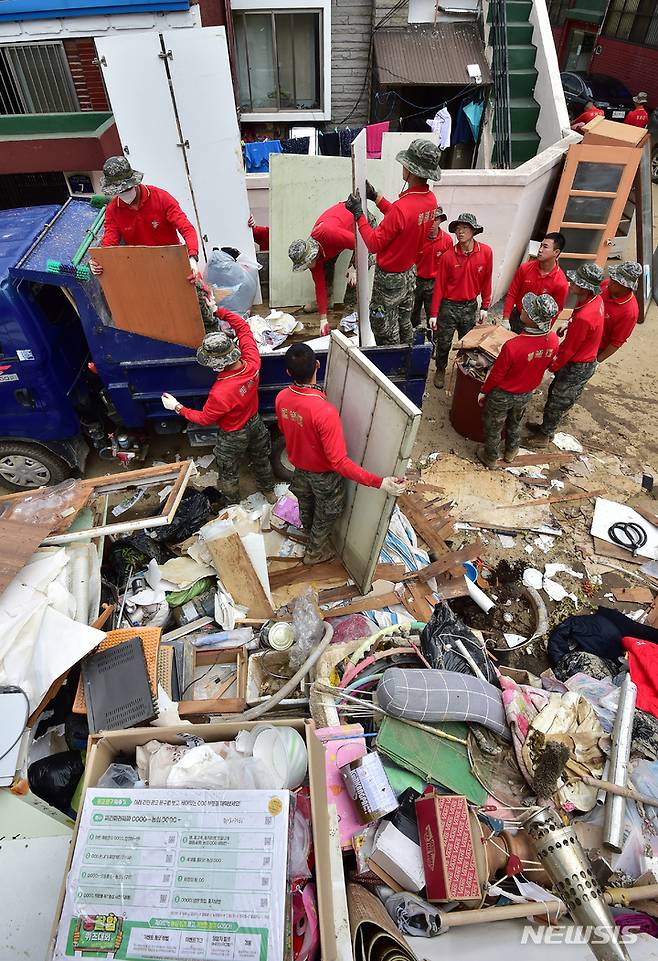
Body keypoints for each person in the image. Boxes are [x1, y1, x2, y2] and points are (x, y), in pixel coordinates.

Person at [275, 344, 407, 565]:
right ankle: (314, 553)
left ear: (288, 373)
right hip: (323, 476)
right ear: (317, 365)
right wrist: (380, 482)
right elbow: (340, 463)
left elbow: (283, 428)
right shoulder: (324, 411)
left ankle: (308, 532)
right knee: (328, 511)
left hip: (299, 468)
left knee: (306, 501)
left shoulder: (281, 398)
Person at [161, 308, 276, 505]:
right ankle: (269, 492)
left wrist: (177, 407)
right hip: (255, 423)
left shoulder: (221, 392)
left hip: (233, 434)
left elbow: (205, 419)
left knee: (228, 470)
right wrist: (219, 311)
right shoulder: (252, 360)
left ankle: (231, 505)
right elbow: (243, 328)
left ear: (217, 363)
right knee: (262, 459)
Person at [344, 138, 441, 346]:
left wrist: (359, 214)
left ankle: (392, 369)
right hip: (409, 274)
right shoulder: (430, 200)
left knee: (383, 327)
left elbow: (373, 244)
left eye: (406, 164)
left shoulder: (402, 208)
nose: (403, 167)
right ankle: (407, 358)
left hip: (389, 281)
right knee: (404, 322)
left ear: (412, 171)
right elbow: (401, 222)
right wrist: (377, 197)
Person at [476, 293, 560, 468]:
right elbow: (548, 363)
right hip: (526, 392)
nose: (522, 309)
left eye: (527, 310)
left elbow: (497, 374)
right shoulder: (552, 340)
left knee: (494, 425)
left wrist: (484, 391)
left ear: (533, 318)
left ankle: (490, 456)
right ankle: (511, 451)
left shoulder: (513, 346)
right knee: (515, 423)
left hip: (502, 394)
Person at [526, 262, 605, 447]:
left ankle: (544, 436)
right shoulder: (593, 301)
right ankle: (544, 428)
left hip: (578, 364)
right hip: (580, 355)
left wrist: (551, 368)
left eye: (576, 282)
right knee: (555, 392)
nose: (571, 284)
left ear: (585, 288)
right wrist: (570, 323)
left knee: (558, 400)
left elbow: (569, 350)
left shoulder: (586, 316)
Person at [90, 156, 199, 278]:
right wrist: (99, 261)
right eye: (119, 191)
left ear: (134, 183)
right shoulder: (112, 210)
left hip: (173, 261)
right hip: (142, 269)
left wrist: (192, 258)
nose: (125, 193)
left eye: (128, 188)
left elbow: (186, 228)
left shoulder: (161, 198)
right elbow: (109, 242)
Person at [428, 212, 493, 388]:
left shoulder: (485, 252)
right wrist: (433, 313)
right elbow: (439, 286)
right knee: (444, 342)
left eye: (464, 228)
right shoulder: (448, 256)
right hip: (448, 306)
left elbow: (487, 279)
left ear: (473, 230)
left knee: (468, 343)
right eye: (457, 228)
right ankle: (441, 369)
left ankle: (463, 371)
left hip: (470, 305)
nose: (460, 232)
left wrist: (485, 305)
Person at [288, 202, 365, 336]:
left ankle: (350, 312)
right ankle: (326, 303)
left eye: (305, 264)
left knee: (352, 276)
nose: (307, 268)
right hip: (340, 238)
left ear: (311, 256)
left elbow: (363, 243)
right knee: (325, 269)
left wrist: (354, 267)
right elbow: (320, 285)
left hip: (360, 222)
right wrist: (323, 319)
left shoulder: (329, 233)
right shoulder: (312, 258)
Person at [502, 233, 569, 333]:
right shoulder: (525, 268)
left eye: (545, 247)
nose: (540, 250)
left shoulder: (560, 283)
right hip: (518, 317)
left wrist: (546, 331)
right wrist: (505, 318)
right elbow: (512, 293)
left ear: (556, 252)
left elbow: (556, 311)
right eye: (540, 245)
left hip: (538, 327)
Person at [411, 207, 452, 328]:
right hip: (416, 280)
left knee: (433, 315)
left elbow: (449, 266)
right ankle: (413, 337)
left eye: (435, 220)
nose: (432, 223)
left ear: (440, 221)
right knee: (412, 312)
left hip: (435, 283)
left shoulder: (447, 241)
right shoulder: (417, 237)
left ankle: (432, 340)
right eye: (430, 220)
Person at [597, 261, 642, 362]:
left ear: (626, 286)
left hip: (596, 347)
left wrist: (597, 361)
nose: (610, 281)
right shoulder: (606, 285)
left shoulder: (630, 312)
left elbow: (616, 342)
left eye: (615, 281)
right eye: (612, 277)